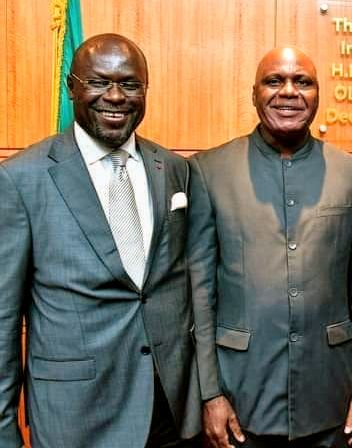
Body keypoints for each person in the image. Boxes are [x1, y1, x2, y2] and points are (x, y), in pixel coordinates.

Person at [0, 34, 201, 447]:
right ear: (71, 87)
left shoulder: (174, 169)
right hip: (76, 418)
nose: (115, 96)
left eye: (129, 84)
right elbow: (3, 321)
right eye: (98, 82)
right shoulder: (22, 179)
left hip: (169, 413)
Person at [188, 47, 352, 448]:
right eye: (274, 81)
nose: (289, 92)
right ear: (254, 93)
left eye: (303, 82)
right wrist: (209, 393)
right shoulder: (209, 171)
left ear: (318, 95)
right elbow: (200, 293)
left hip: (331, 390)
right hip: (241, 391)